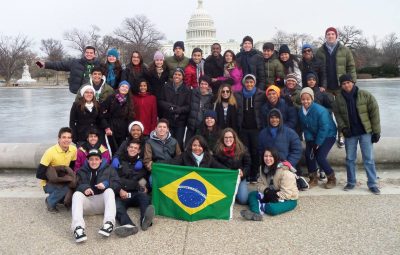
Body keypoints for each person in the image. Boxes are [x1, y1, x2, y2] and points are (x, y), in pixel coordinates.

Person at [333, 74, 381, 194]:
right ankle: (351, 182)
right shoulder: (338, 98)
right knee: (350, 159)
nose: (346, 85)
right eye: (343, 83)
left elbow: (374, 113)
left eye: (348, 82)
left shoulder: (365, 95)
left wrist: (376, 131)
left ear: (353, 82)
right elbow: (337, 115)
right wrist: (343, 128)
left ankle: (372, 183)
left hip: (366, 132)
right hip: (350, 134)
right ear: (341, 85)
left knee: (368, 159)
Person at [316, 27, 357, 148]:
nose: (330, 36)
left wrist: (352, 82)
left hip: (341, 87)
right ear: (325, 36)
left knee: (342, 111)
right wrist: (319, 85)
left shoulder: (345, 50)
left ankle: (341, 135)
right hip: (326, 87)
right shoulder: (320, 51)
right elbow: (317, 69)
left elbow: (351, 67)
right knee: (326, 113)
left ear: (336, 36)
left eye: (332, 34)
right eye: (328, 34)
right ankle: (328, 135)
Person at [71, 149, 121, 243]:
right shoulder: (81, 170)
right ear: (88, 160)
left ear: (101, 160)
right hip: (87, 204)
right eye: (91, 159)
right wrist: (84, 188)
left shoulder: (109, 169)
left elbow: (117, 184)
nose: (94, 162)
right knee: (76, 194)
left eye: (96, 159)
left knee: (110, 191)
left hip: (102, 204)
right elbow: (76, 185)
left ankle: (108, 223)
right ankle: (78, 228)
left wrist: (106, 184)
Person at [241, 148, 298, 220]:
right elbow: (259, 184)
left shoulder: (286, 173)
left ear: (275, 157)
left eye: (271, 156)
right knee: (252, 194)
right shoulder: (262, 168)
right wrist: (266, 191)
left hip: (288, 199)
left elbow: (287, 194)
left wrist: (272, 196)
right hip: (270, 192)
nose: (268, 158)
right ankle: (255, 213)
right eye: (266, 156)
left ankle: (259, 206)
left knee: (272, 209)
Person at [298, 87, 337, 189]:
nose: (305, 101)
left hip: (329, 135)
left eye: (308, 99)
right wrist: (310, 140)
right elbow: (305, 128)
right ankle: (313, 178)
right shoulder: (301, 111)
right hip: (314, 136)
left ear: (312, 98)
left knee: (320, 156)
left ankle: (331, 177)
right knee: (308, 154)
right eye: (303, 99)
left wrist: (318, 143)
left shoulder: (320, 111)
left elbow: (324, 127)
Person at [114, 140, 154, 237]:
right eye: (131, 147)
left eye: (135, 148)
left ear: (139, 151)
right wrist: (119, 189)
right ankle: (128, 225)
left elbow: (144, 179)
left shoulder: (141, 164)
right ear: (127, 148)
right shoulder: (119, 162)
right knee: (116, 207)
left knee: (145, 198)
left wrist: (146, 187)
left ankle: (145, 220)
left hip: (136, 192)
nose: (133, 149)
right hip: (122, 193)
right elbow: (113, 178)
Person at [36, 127, 77, 213]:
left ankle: (60, 199)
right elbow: (39, 174)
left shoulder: (73, 149)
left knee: (74, 185)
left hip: (62, 178)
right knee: (65, 188)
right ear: (59, 139)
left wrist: (67, 179)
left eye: (69, 137)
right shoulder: (50, 152)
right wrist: (56, 179)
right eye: (64, 137)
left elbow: (72, 167)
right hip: (48, 182)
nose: (66, 140)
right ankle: (50, 202)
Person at [235, 74, 266, 183]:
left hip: (256, 128)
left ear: (254, 83)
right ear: (244, 83)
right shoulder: (238, 94)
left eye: (251, 82)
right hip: (243, 128)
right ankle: (246, 174)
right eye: (247, 82)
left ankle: (254, 173)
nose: (249, 84)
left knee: (255, 151)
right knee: (245, 152)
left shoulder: (261, 94)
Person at [214, 128, 251, 205]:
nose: (228, 139)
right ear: (222, 138)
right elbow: (214, 164)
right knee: (222, 201)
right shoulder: (217, 150)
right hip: (224, 178)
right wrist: (228, 171)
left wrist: (243, 173)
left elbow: (248, 164)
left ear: (234, 138)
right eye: (226, 137)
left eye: (230, 137)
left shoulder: (243, 149)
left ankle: (235, 191)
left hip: (239, 178)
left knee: (243, 200)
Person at [158, 68, 191, 150]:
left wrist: (180, 110)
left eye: (179, 75)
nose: (177, 76)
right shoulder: (166, 86)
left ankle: (177, 160)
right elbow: (160, 101)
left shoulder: (187, 89)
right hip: (167, 120)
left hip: (180, 121)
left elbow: (188, 106)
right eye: (175, 74)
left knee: (178, 143)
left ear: (183, 77)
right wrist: (169, 106)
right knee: (167, 142)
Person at [101, 80, 134, 154]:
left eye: (126, 87)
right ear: (119, 87)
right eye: (122, 86)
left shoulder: (130, 101)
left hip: (123, 129)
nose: (124, 88)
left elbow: (130, 117)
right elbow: (101, 113)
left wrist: (129, 131)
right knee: (111, 148)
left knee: (121, 148)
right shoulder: (111, 98)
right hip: (111, 126)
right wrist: (106, 127)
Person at [186, 75, 213, 142]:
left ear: (208, 85)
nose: (203, 86)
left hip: (202, 127)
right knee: (187, 145)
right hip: (191, 125)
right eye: (202, 84)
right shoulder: (193, 92)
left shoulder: (211, 97)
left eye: (205, 84)